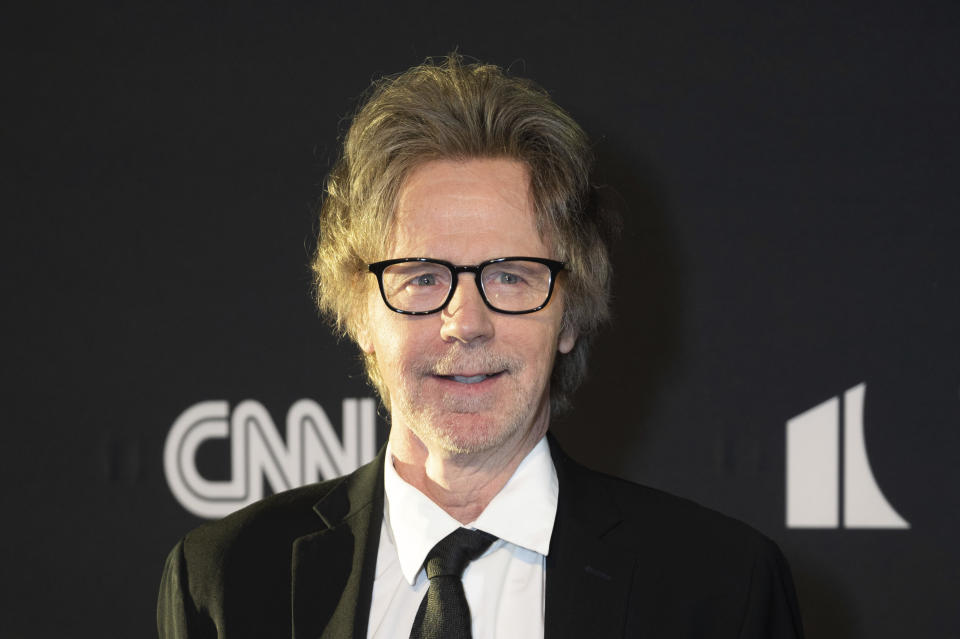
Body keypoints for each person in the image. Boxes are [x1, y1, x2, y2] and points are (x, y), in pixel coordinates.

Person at [158, 54, 804, 638]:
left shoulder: (720, 587)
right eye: (422, 277)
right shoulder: (226, 577)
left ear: (571, 312)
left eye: (509, 276)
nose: (464, 321)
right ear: (358, 312)